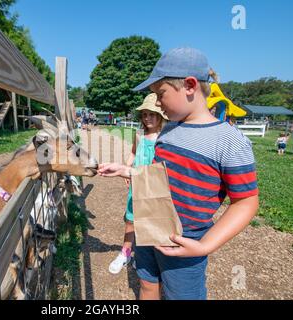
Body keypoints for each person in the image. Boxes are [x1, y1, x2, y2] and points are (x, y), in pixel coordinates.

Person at [98, 48, 259, 300]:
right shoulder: (169, 130)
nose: (158, 102)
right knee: (147, 283)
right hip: (150, 224)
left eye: (160, 94)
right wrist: (128, 171)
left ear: (190, 86)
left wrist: (205, 245)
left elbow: (246, 201)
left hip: (186, 240)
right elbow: (160, 177)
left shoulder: (229, 141)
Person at [109, 93, 168, 274]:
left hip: (156, 187)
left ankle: (143, 256)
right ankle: (125, 252)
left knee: (151, 222)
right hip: (137, 185)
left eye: (152, 114)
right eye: (144, 114)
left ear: (160, 116)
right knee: (131, 220)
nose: (148, 118)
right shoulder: (139, 135)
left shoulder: (164, 137)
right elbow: (134, 153)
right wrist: (126, 167)